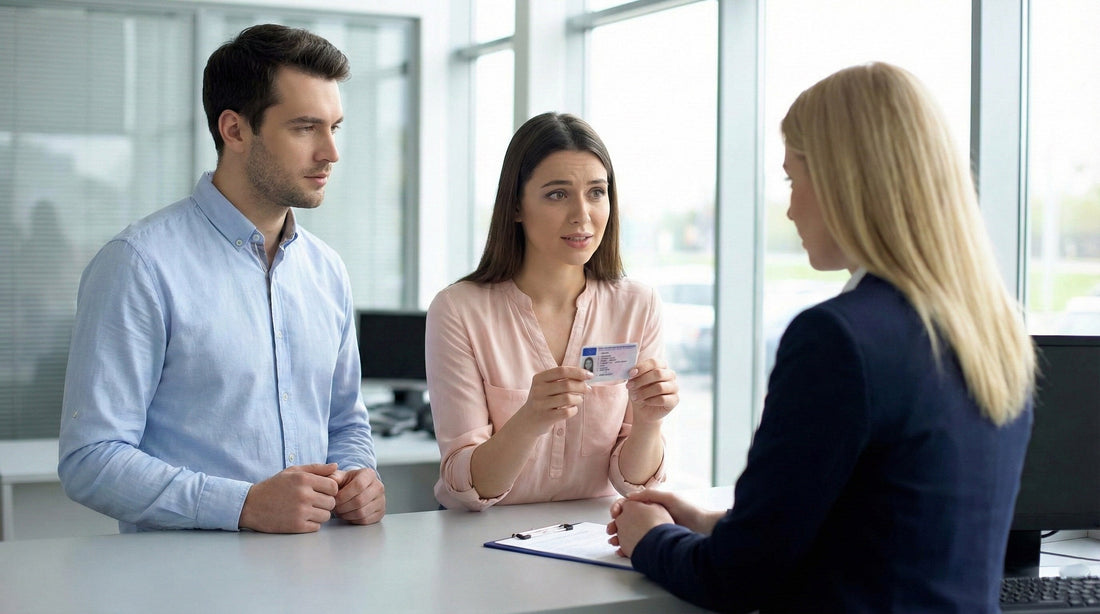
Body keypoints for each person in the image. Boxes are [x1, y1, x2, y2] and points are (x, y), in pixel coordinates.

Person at [607, 62, 1035, 612]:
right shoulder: (994, 330)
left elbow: (736, 580)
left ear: (843, 180)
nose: (788, 208)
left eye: (792, 178)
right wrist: (712, 523)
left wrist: (650, 538)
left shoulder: (838, 339)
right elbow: (884, 532)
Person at [58, 24, 385, 534]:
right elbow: (91, 459)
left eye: (334, 128)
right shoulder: (138, 264)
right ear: (234, 130)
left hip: (320, 580)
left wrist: (358, 476)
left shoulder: (327, 271)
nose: (330, 153)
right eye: (304, 128)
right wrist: (242, 505)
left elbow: (345, 423)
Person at [426, 112, 679, 511]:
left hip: (594, 540)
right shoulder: (458, 309)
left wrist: (650, 421)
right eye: (557, 194)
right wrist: (530, 419)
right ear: (516, 207)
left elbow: (632, 483)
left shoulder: (638, 305)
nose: (582, 215)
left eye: (596, 192)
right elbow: (465, 485)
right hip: (479, 546)